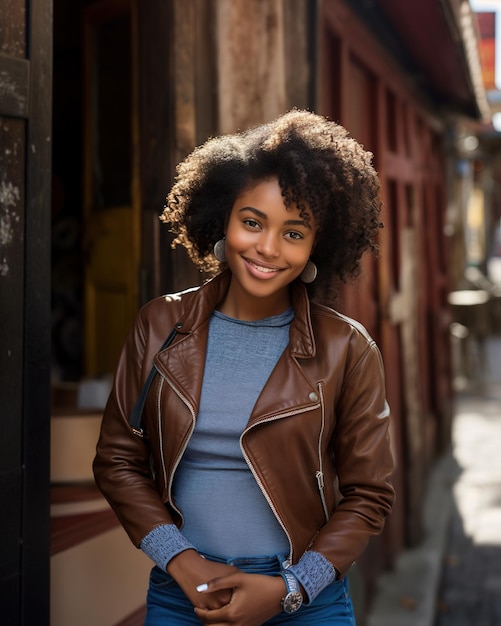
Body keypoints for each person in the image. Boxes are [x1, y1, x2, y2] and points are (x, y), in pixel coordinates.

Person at [93, 109, 395, 625]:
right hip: (184, 593)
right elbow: (118, 462)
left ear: (318, 245)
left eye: (294, 233)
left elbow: (369, 495)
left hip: (305, 598)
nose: (268, 249)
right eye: (252, 222)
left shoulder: (348, 348)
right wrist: (182, 563)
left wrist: (291, 589)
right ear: (222, 220)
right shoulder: (160, 325)